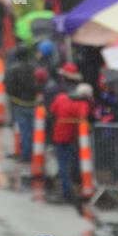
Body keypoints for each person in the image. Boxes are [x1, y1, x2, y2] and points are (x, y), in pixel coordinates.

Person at [49, 66, 91, 204]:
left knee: (63, 163)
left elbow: (52, 110)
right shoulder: (82, 104)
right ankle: (77, 182)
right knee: (74, 161)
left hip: (61, 136)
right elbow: (84, 117)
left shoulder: (61, 98)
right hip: (74, 137)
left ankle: (67, 190)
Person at [4, 45, 40, 165]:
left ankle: (26, 156)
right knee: (33, 130)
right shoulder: (34, 68)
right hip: (33, 103)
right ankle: (33, 153)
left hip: (18, 104)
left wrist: (14, 97)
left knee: (23, 130)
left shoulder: (12, 69)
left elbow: (7, 86)